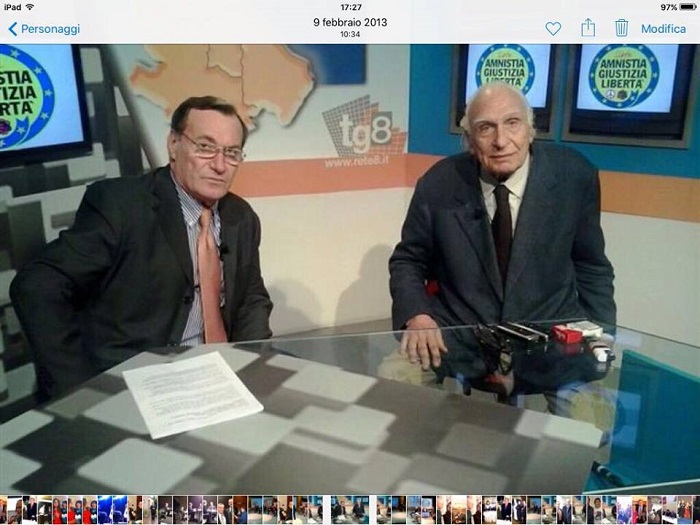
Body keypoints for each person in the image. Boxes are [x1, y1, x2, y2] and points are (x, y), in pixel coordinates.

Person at [10, 95, 274, 401]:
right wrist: (80, 391)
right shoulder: (121, 205)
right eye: (205, 147)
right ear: (173, 145)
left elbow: (251, 298)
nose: (219, 165)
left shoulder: (241, 217)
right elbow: (37, 286)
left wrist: (253, 364)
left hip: (215, 377)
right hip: (132, 385)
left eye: (231, 153)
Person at [389, 82, 615, 394]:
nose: (501, 141)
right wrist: (417, 315)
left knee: (590, 412)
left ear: (530, 131)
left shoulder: (574, 176)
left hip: (552, 339)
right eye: (486, 128)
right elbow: (408, 261)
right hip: (458, 334)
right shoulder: (439, 183)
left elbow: (591, 265)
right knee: (394, 379)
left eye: (512, 123)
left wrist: (603, 334)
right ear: (469, 140)